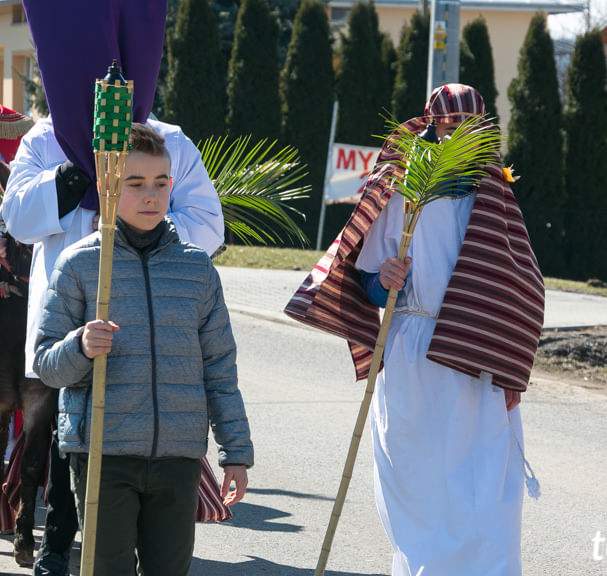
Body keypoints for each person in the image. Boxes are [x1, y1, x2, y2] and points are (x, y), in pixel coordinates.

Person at [286, 83, 544, 576]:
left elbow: (520, 287)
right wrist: (384, 280)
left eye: (470, 131)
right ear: (431, 126)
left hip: (471, 357)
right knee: (415, 481)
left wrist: (511, 373)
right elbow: (364, 276)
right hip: (410, 352)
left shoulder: (495, 196)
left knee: (480, 489)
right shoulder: (399, 187)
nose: (458, 140)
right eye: (449, 129)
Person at [1, 114, 224, 575]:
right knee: (64, 432)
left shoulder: (171, 140)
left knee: (127, 445)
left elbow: (207, 224)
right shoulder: (47, 137)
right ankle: (55, 546)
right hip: (67, 319)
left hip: (147, 319)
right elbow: (19, 220)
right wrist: (67, 181)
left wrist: (141, 235)